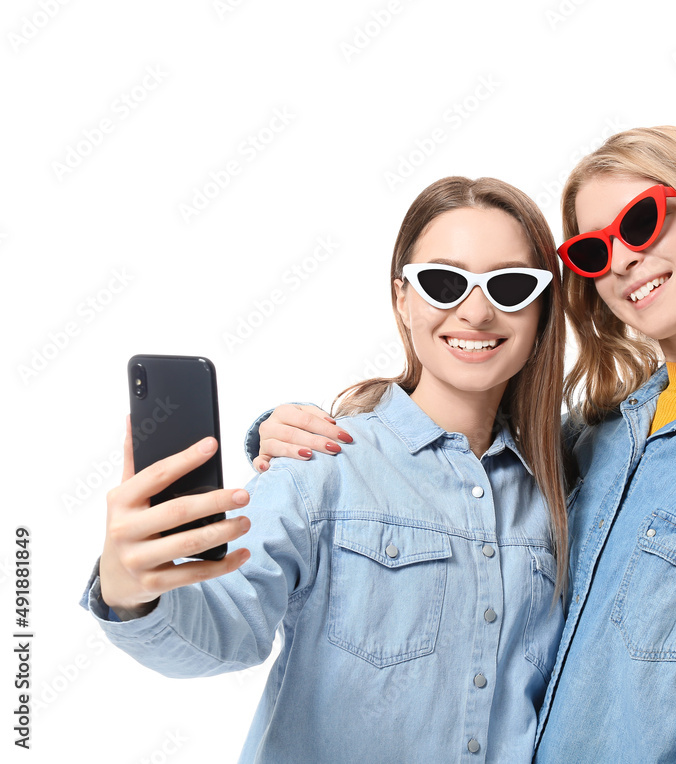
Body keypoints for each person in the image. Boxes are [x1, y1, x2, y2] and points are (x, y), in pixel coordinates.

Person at [252, 126, 676, 762]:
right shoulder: (598, 437)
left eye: (640, 223)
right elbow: (448, 461)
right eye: (592, 250)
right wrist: (280, 432)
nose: (622, 261)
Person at [81, 176, 569, 763]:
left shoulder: (564, 489)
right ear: (402, 300)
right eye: (444, 282)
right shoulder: (319, 466)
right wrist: (134, 593)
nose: (478, 310)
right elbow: (223, 628)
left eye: (511, 285)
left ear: (542, 306)